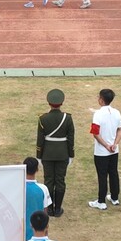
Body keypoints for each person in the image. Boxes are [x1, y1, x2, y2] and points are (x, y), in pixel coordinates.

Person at [36, 89, 74, 218]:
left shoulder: (43, 118)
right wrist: (71, 154)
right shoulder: (67, 118)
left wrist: (39, 156)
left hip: (47, 154)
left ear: (49, 103)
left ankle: (50, 208)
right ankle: (58, 208)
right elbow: (71, 139)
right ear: (62, 103)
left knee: (48, 181)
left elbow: (40, 139)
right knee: (60, 180)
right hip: (63, 153)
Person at [89, 87, 121, 210]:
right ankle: (114, 197)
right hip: (114, 150)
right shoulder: (117, 112)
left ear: (102, 100)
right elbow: (120, 130)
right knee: (113, 173)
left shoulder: (98, 114)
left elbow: (95, 133)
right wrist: (115, 144)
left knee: (102, 175)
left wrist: (106, 145)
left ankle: (101, 201)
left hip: (101, 151)